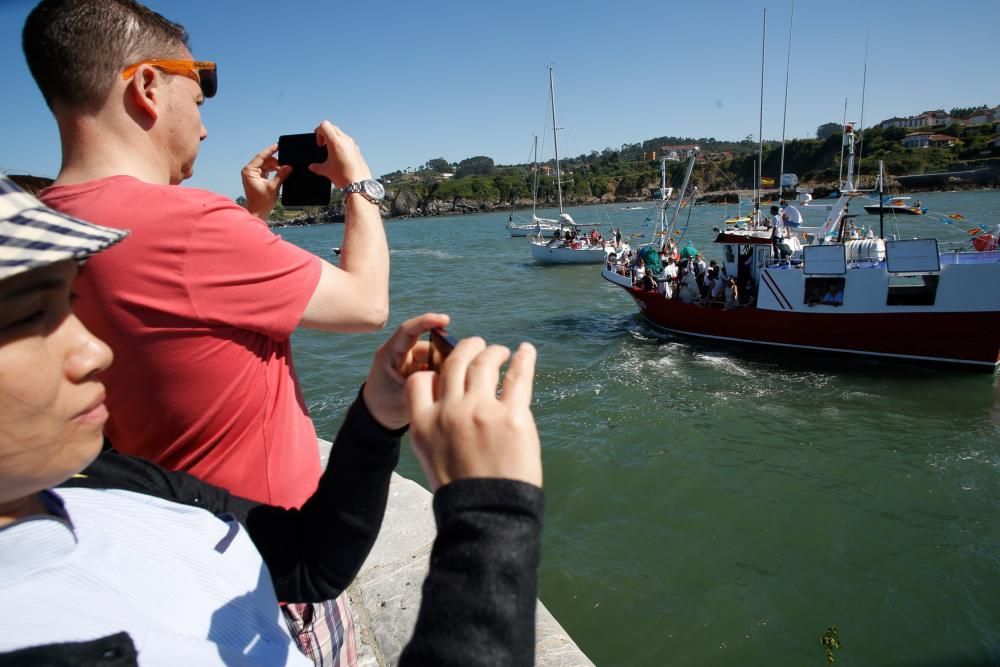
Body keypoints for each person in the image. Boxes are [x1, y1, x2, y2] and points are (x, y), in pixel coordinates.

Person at [0, 176, 544, 665]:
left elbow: (310, 563)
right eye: (29, 316)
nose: (94, 350)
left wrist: (377, 415)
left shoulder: (110, 483)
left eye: (69, 306)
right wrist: (492, 510)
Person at [22, 0, 388, 661]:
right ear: (147, 87)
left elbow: (176, 317)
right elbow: (365, 304)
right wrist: (361, 182)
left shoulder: (30, 234)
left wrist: (249, 216)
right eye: (199, 98)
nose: (206, 128)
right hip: (266, 562)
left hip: (155, 549)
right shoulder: (190, 225)